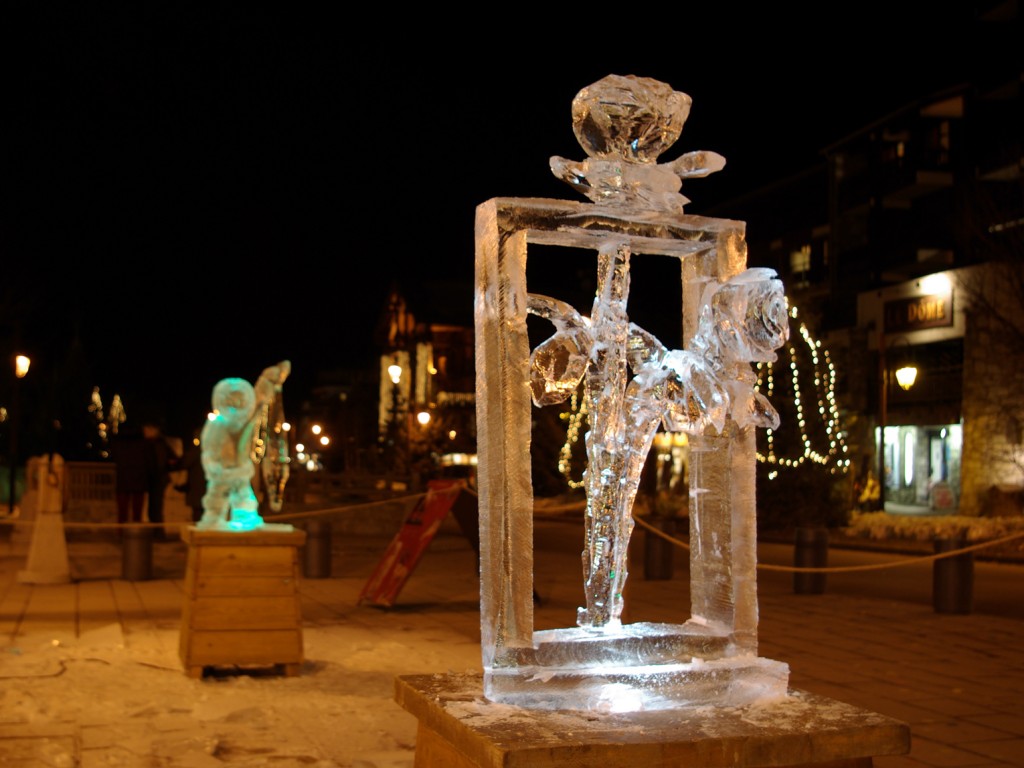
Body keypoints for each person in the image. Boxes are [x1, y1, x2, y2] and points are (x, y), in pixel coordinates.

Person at [108, 422, 153, 525]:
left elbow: (114, 457)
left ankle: (121, 533)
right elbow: (150, 462)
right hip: (139, 480)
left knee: (122, 512)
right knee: (137, 513)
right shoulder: (144, 444)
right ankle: (135, 534)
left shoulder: (118, 443)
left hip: (123, 480)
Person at [143, 421, 179, 535]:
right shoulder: (159, 443)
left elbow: (171, 459)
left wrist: (167, 467)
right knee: (154, 506)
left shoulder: (158, 444)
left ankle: (157, 531)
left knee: (156, 506)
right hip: (156, 477)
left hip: (158, 478)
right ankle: (157, 530)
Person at [174, 428, 206, 523]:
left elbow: (185, 463)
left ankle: (199, 532)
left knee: (197, 511)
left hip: (196, 485)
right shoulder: (214, 451)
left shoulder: (196, 451)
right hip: (208, 485)